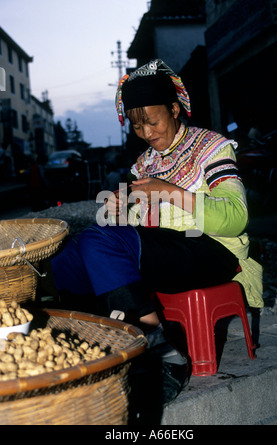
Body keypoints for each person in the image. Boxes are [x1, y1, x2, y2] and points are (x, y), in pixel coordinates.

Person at [38, 59, 263, 422]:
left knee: (99, 243)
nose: (146, 132)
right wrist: (118, 209)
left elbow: (236, 219)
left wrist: (171, 192)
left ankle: (158, 351)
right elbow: (134, 229)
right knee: (76, 252)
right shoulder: (143, 164)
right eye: (137, 125)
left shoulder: (213, 147)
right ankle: (77, 331)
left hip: (212, 250)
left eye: (153, 121)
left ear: (174, 109)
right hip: (166, 252)